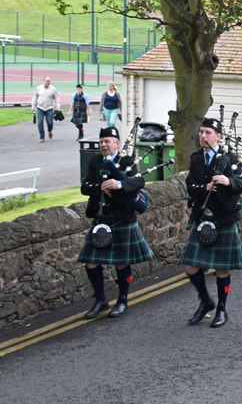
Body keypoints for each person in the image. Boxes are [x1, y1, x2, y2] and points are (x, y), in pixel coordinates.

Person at [180, 118, 242, 328]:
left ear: (218, 136)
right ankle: (205, 301)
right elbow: (191, 186)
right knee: (192, 266)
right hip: (203, 218)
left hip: (224, 218)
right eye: (201, 132)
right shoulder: (195, 158)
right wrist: (206, 187)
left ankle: (222, 309)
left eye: (207, 132)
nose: (203, 136)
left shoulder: (231, 159)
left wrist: (228, 182)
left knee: (222, 268)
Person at [78, 126, 154, 319]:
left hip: (121, 217)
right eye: (101, 142)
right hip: (101, 217)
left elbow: (138, 182)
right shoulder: (95, 161)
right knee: (91, 262)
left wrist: (119, 184)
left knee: (121, 263)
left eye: (107, 141)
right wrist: (101, 187)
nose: (104, 145)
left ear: (117, 144)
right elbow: (85, 187)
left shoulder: (126, 161)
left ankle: (122, 300)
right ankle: (101, 301)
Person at [31, 77, 60, 142]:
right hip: (40, 107)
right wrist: (33, 107)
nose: (48, 83)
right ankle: (42, 137)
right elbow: (34, 97)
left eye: (49, 81)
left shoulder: (53, 89)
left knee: (50, 122)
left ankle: (50, 130)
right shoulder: (38, 88)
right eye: (47, 81)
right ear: (44, 81)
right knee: (40, 122)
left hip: (49, 108)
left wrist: (58, 106)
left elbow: (57, 98)